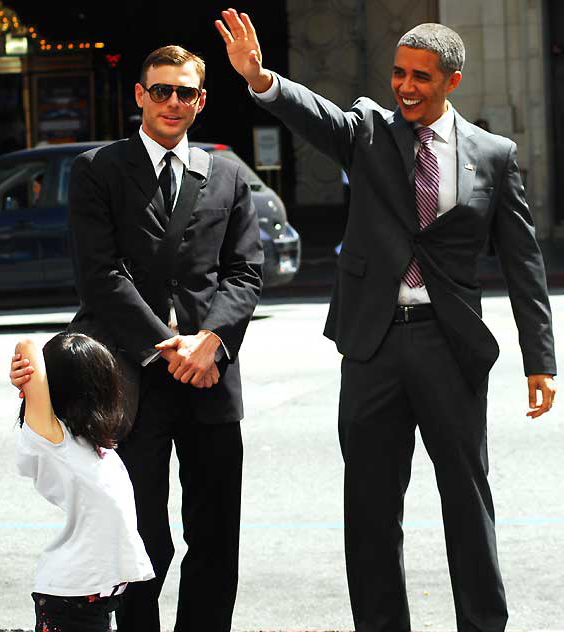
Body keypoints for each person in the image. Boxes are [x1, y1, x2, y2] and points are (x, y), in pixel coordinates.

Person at [215, 10, 557, 632]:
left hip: (449, 346)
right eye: (398, 73)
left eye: (420, 77)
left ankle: (483, 624)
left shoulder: (495, 155)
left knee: (467, 500)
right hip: (371, 346)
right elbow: (314, 113)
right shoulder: (370, 132)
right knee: (370, 509)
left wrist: (541, 361)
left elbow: (524, 263)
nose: (404, 86)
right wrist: (262, 79)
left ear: (451, 80)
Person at [67, 45, 263, 631]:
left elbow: (244, 272)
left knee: (215, 531)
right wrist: (166, 345)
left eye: (185, 92)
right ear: (139, 96)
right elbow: (99, 275)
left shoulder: (226, 171)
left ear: (201, 101)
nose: (172, 102)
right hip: (133, 378)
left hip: (210, 377)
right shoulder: (98, 169)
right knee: (141, 534)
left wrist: (211, 342)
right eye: (160, 90)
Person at [9, 334, 154, 632]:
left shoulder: (87, 440)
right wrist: (26, 375)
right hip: (70, 598)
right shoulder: (54, 439)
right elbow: (27, 345)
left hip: (93, 597)